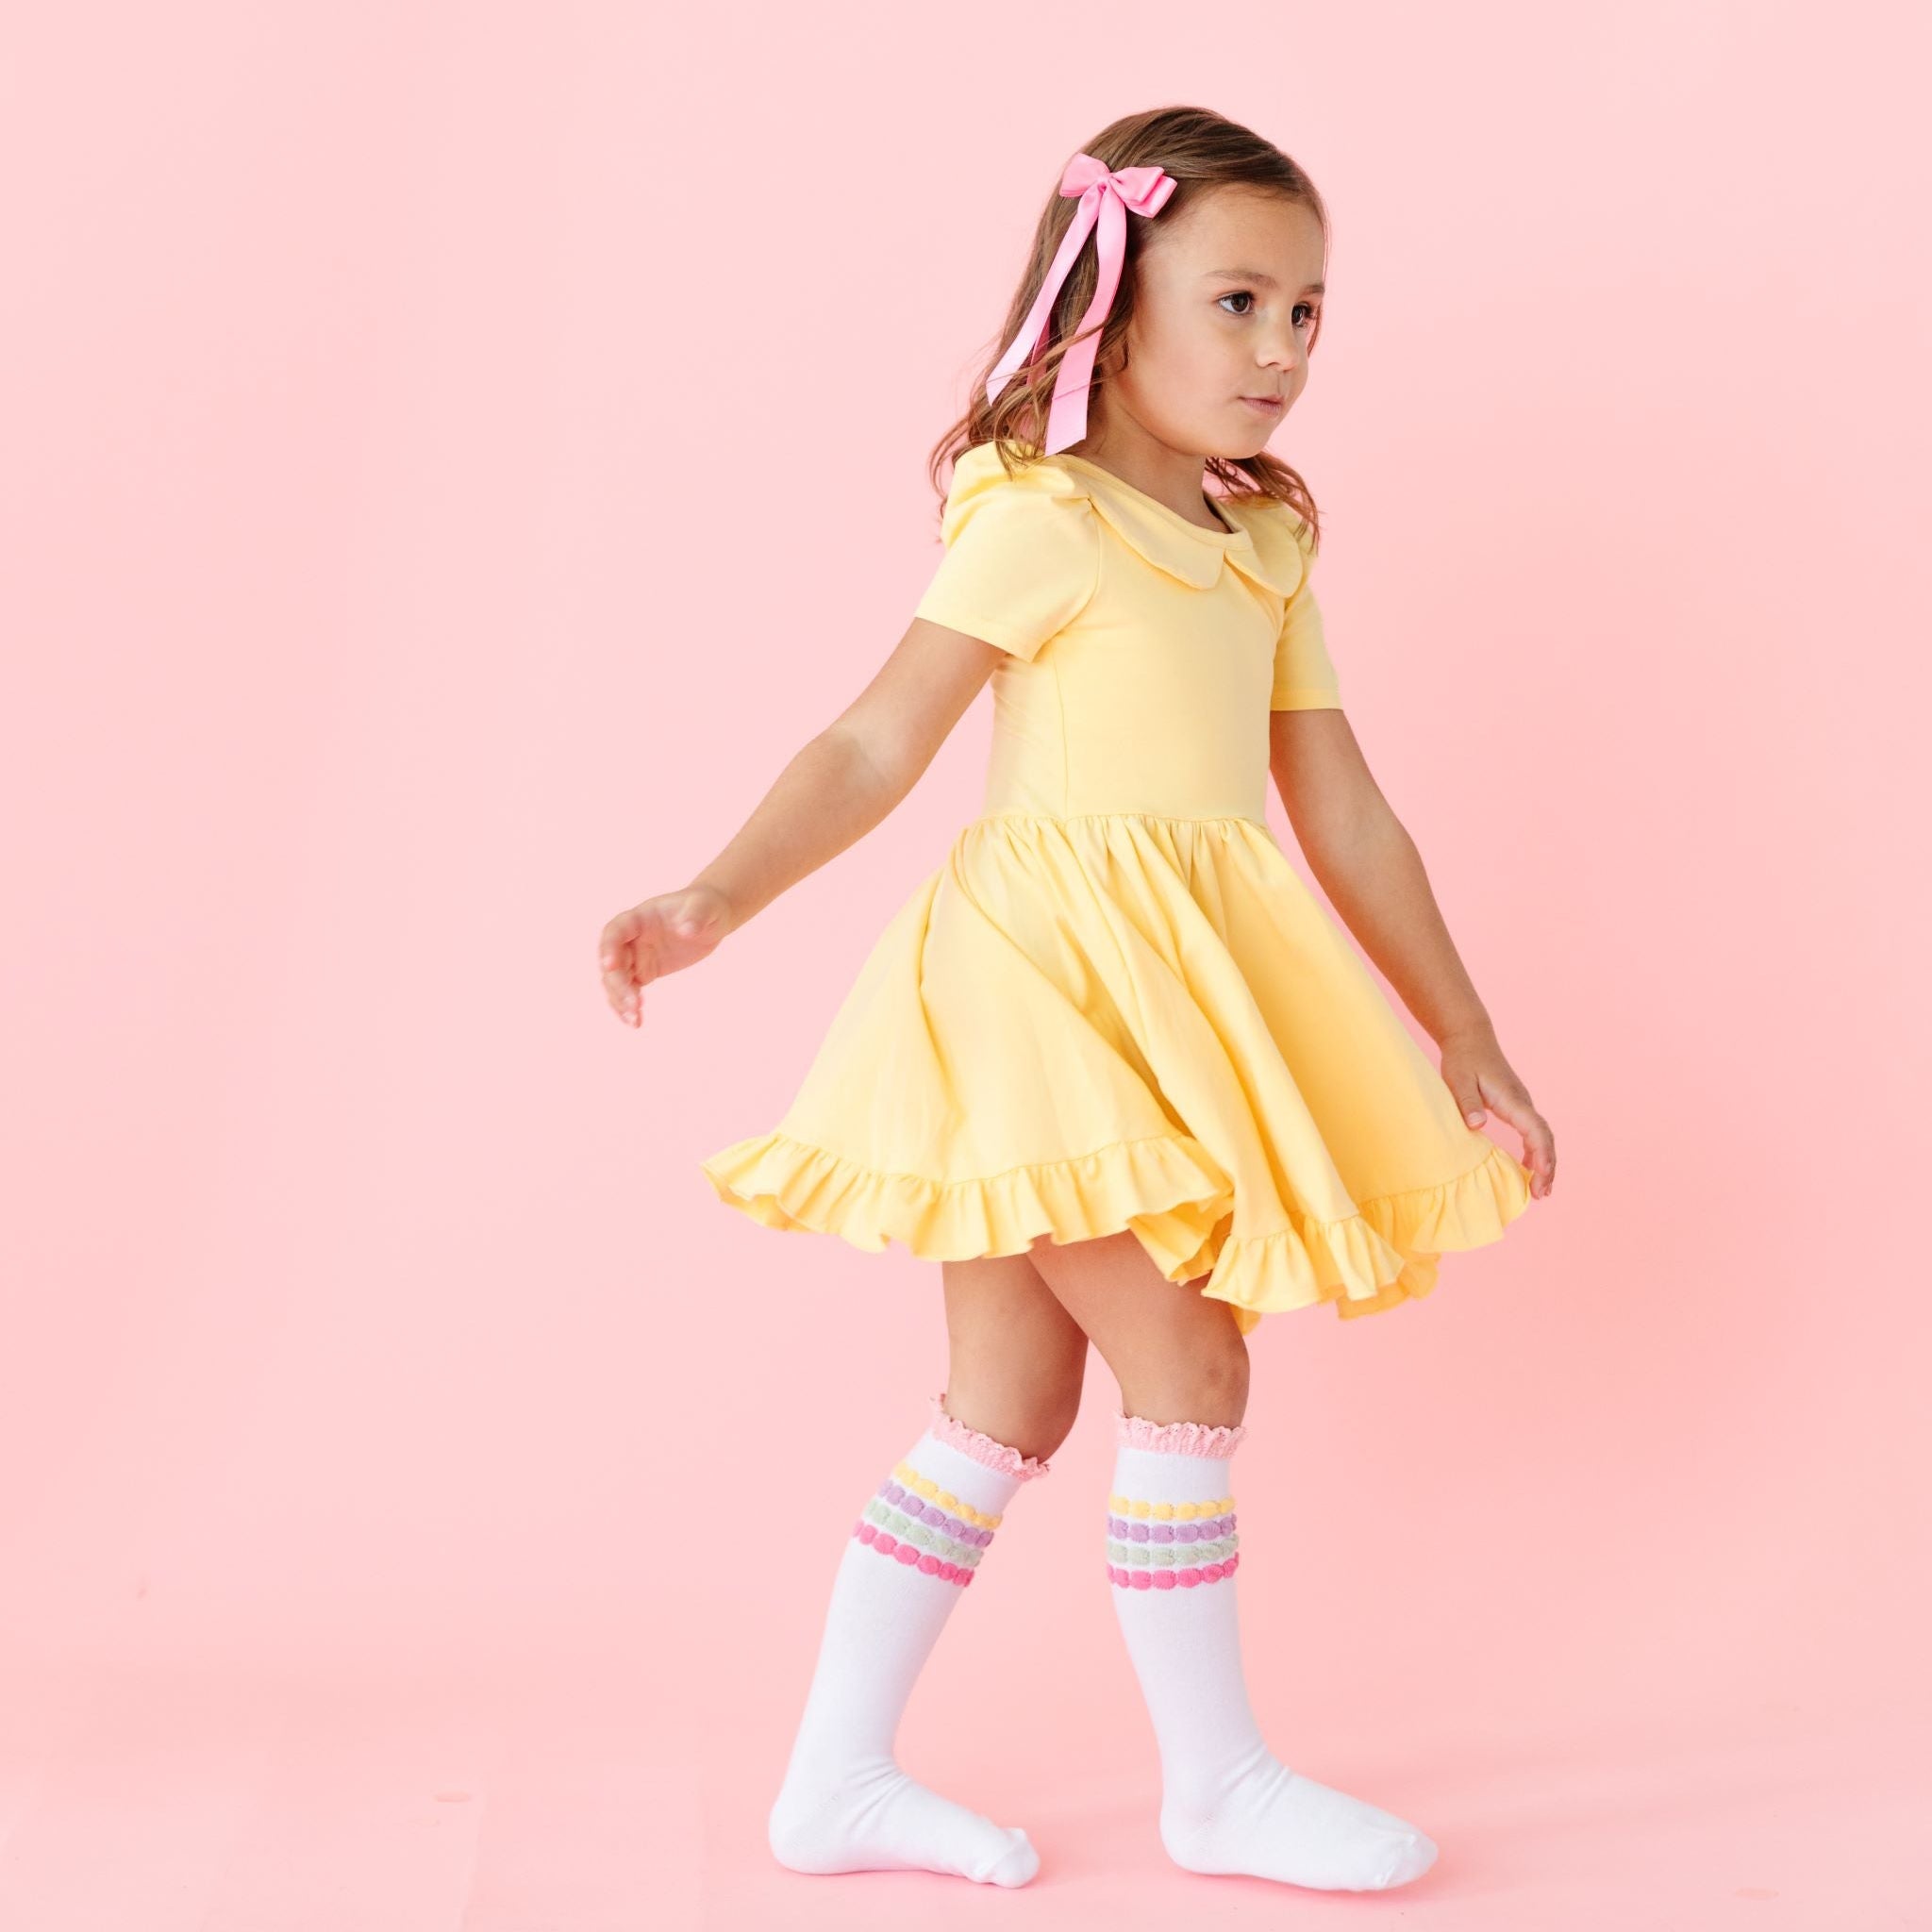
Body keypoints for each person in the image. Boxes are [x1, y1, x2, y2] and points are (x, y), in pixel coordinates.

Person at [597, 105, 1557, 1894]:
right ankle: (1221, 1784)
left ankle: (834, 1779)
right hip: (1036, 989)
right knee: (1190, 1353)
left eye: (1311, 313)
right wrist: (719, 892)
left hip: (1170, 994)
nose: (1282, 351)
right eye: (1242, 301)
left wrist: (1466, 1028)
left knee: (1006, 1406)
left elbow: (1339, 804)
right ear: (1111, 311)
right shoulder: (1040, 519)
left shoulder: (1262, 548)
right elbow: (880, 733)